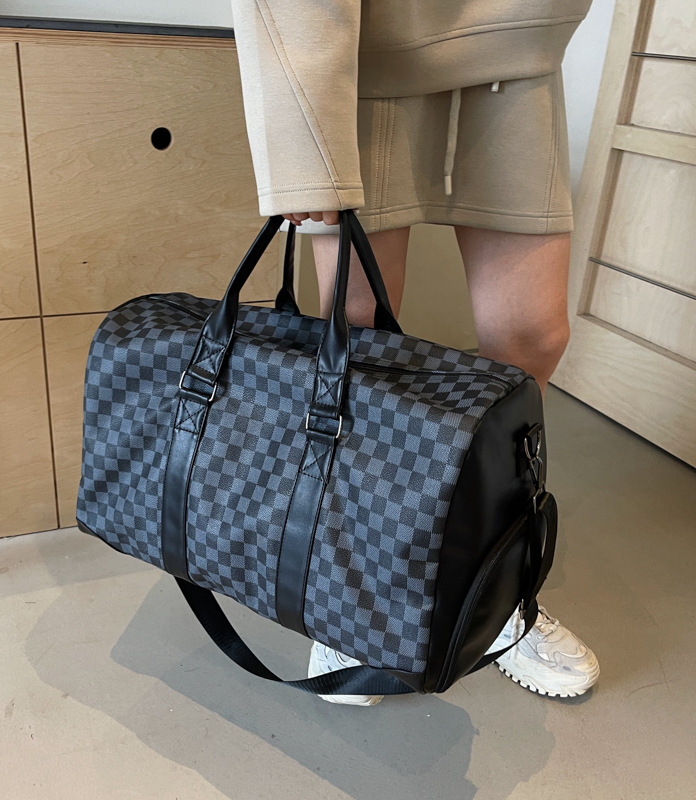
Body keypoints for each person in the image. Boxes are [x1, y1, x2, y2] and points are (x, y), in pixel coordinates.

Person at [229, 0, 600, 704]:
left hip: (517, 50)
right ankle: (356, 593)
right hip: (358, 62)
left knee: (531, 338)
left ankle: (494, 590)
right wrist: (301, 146)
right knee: (358, 339)